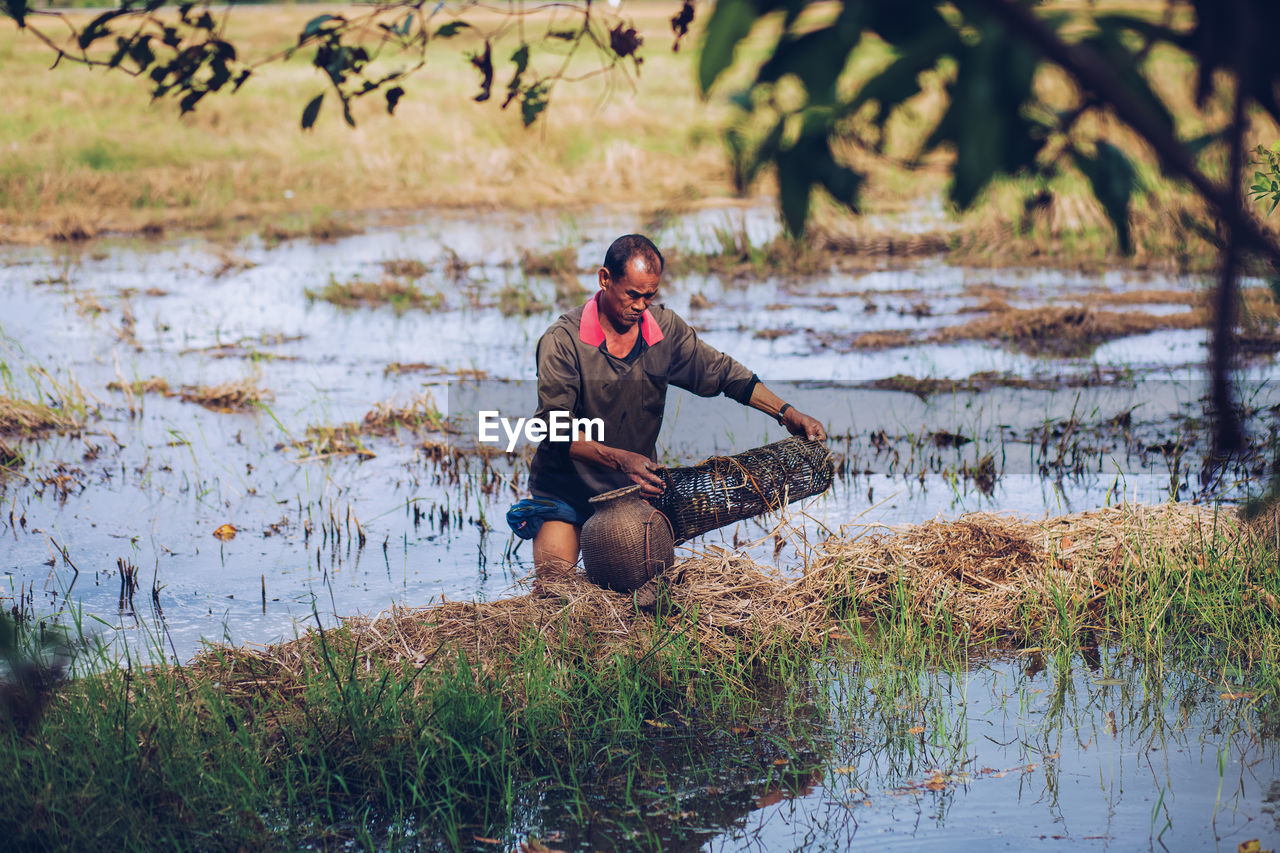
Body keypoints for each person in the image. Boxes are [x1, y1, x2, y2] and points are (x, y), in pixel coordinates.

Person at [507, 233, 826, 581]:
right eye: (632, 294)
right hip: (565, 489)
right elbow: (555, 431)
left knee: (638, 601)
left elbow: (723, 374)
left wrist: (786, 413)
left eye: (650, 295)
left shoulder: (664, 330)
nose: (641, 306)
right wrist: (620, 458)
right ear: (605, 279)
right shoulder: (563, 341)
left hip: (629, 494)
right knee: (556, 592)